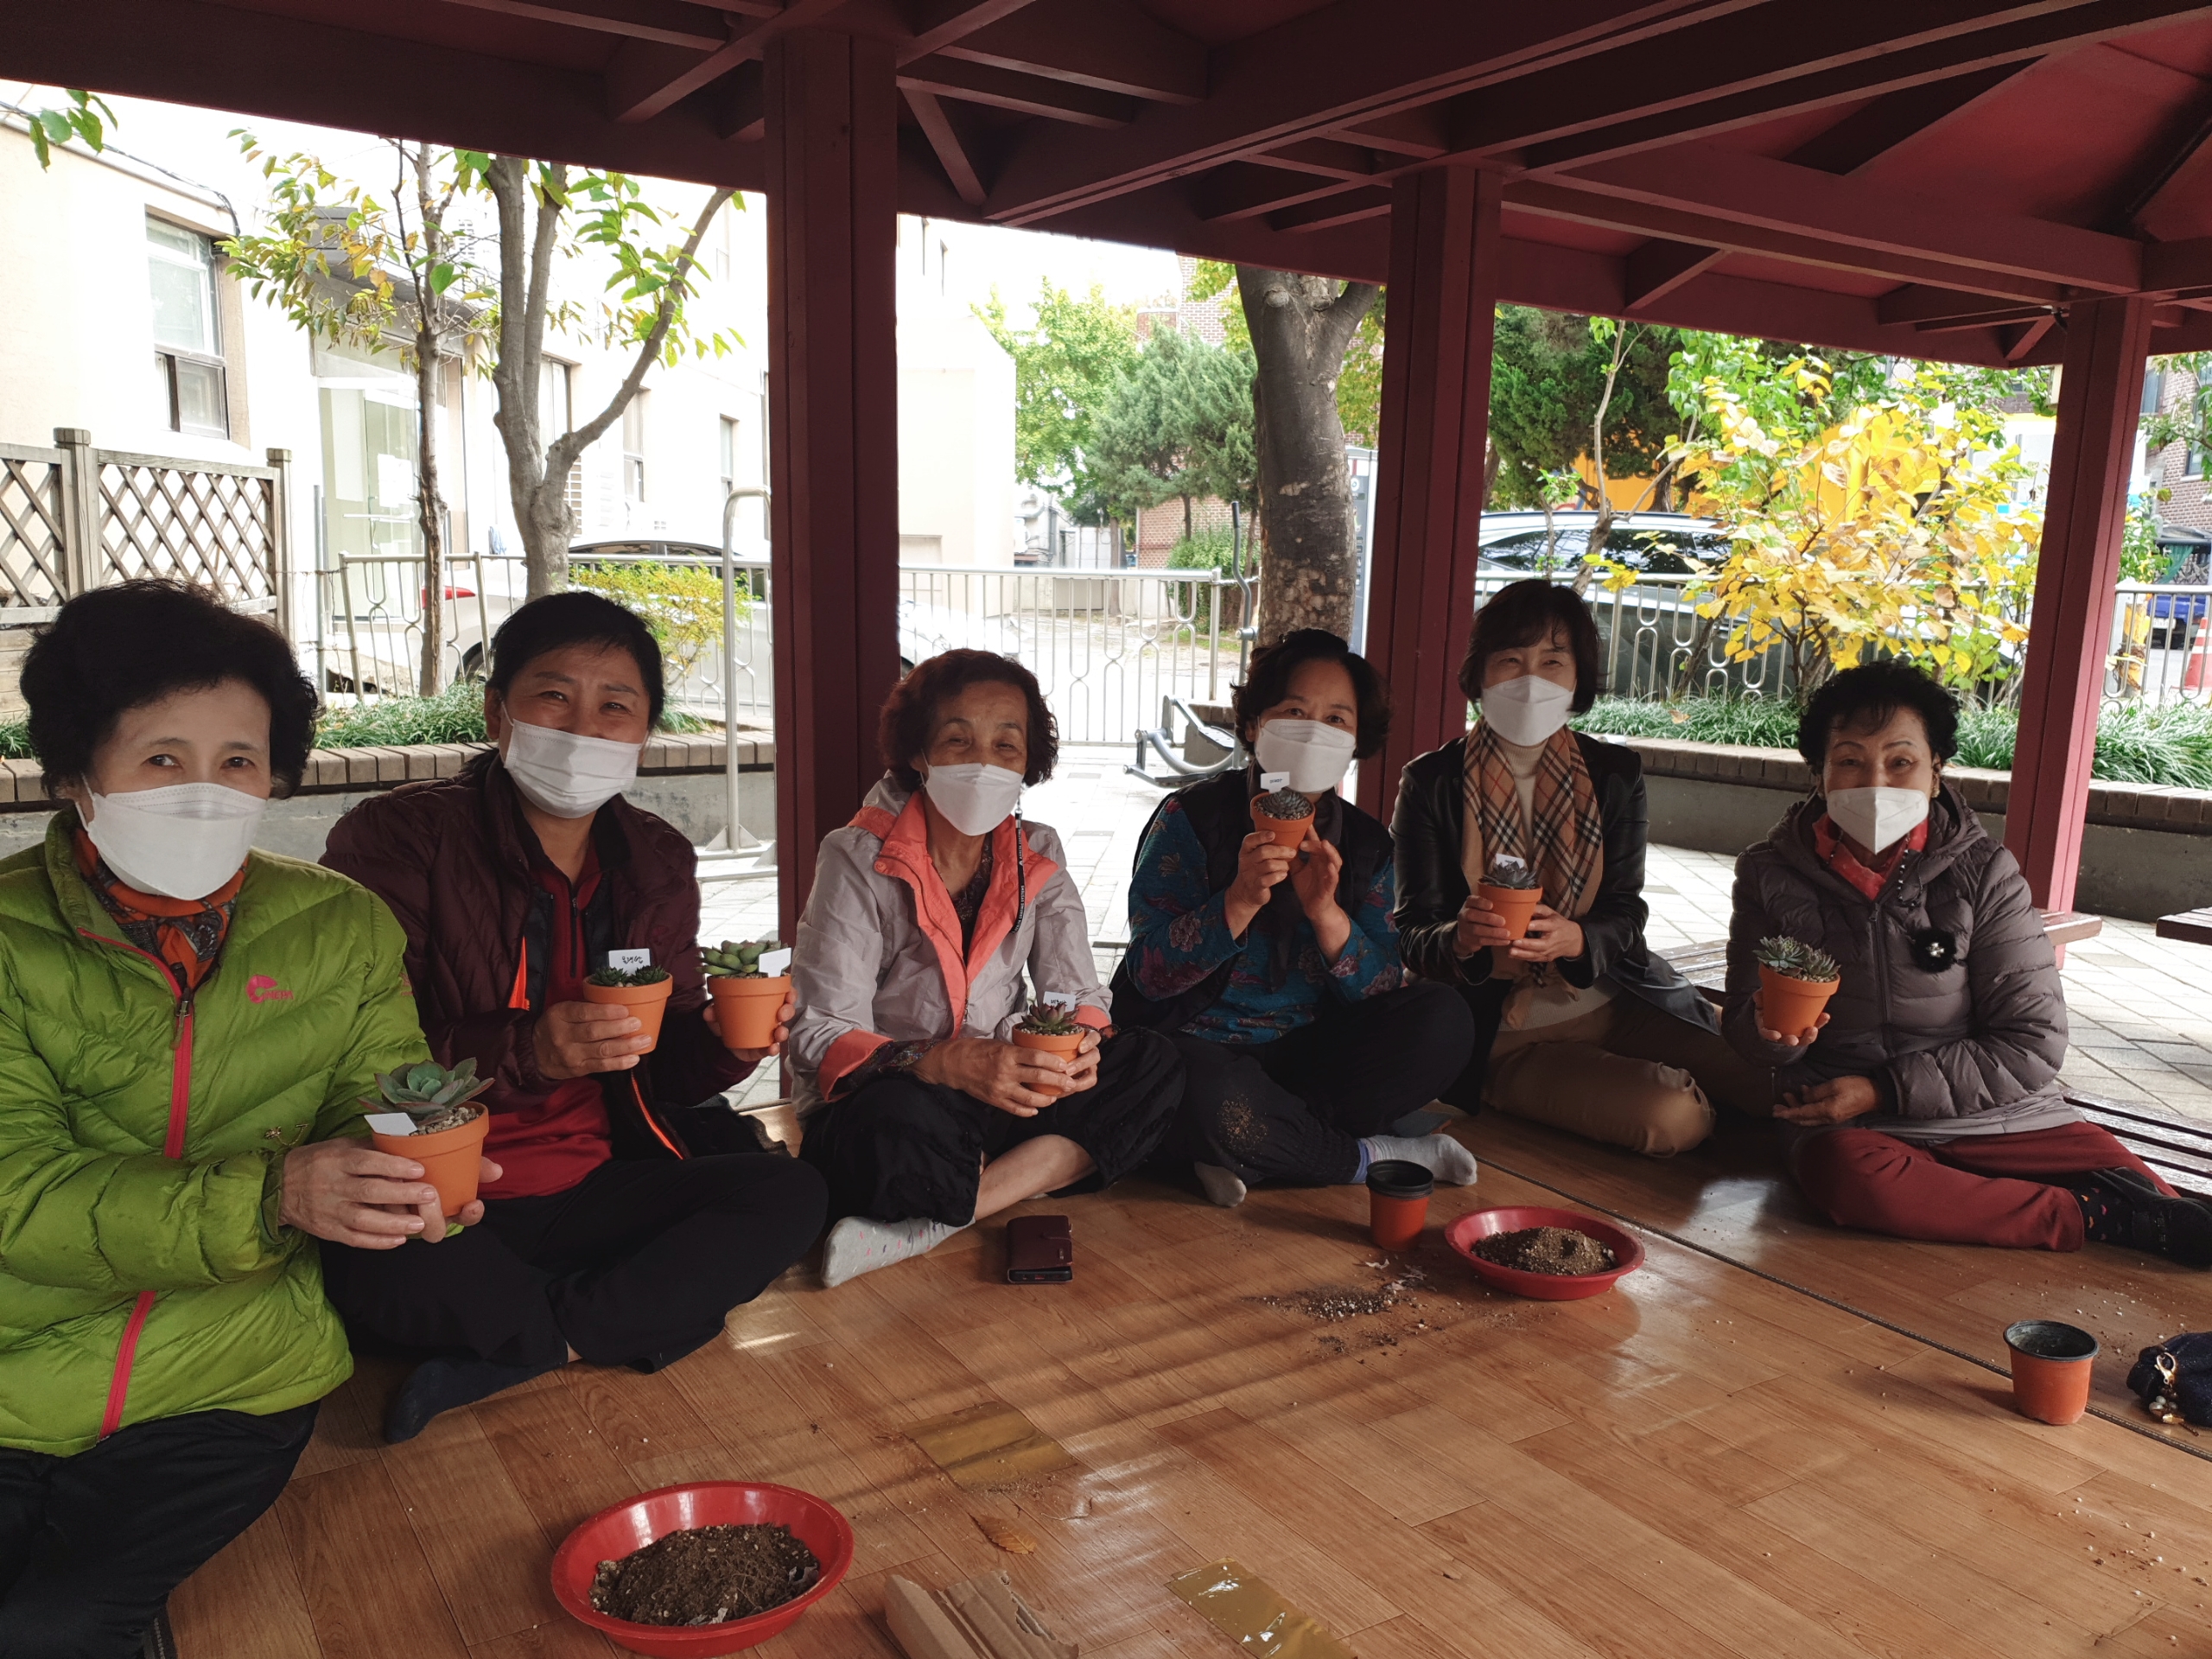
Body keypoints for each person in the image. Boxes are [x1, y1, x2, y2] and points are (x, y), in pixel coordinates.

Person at [0, 582, 438, 1657]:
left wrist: (426, 1164)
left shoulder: (337, 925)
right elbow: (18, 1194)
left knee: (45, 1625)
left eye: (237, 761)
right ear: (74, 775)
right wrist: (280, 1191)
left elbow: (384, 1099)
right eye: (161, 758)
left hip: (232, 1374)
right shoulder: (7, 940)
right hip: (18, 1371)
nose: (206, 792)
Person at [320, 593, 825, 1441]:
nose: (584, 726)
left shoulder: (651, 858)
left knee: (791, 1193)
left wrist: (729, 1046)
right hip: (443, 1197)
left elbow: (659, 1078)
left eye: (615, 705)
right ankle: (614, 1320)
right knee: (367, 1266)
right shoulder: (399, 839)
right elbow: (350, 1055)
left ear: (644, 730)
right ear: (497, 711)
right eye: (554, 695)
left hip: (591, 1182)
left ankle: (527, 1341)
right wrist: (529, 1051)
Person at [1725, 659, 2212, 1260]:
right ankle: (2086, 1214)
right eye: (1849, 760)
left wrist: (1883, 1089)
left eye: (1900, 761)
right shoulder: (1769, 873)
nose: (1874, 781)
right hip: (1850, 1123)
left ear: (1936, 774)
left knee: (2172, 1203)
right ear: (1820, 775)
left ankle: (2092, 1201)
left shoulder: (1985, 873)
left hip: (1998, 1115)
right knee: (1850, 1181)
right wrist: (1774, 1035)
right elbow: (1746, 1033)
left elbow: (2032, 1041)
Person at [791, 650, 1183, 1287]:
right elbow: (817, 1034)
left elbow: (1078, 992)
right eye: (957, 740)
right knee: (895, 1130)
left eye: (1006, 745)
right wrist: (942, 1062)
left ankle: (943, 1214)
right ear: (918, 754)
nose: (983, 763)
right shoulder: (856, 858)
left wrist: (1080, 1046)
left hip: (1001, 1088)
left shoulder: (1038, 853)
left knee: (1153, 1063)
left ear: (1029, 762)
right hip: (896, 1097)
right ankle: (1012, 1178)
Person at [1393, 581, 1770, 1155]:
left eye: (1552, 661)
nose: (1529, 680)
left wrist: (1576, 937)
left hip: (1614, 997)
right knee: (1673, 1120)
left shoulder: (1613, 773)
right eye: (1510, 661)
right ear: (1479, 675)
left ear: (1577, 677)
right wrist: (1461, 938)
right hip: (1507, 1031)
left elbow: (1626, 910)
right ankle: (1510, 1085)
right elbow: (1413, 931)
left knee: (1776, 1081)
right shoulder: (1432, 781)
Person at [1114, 629, 1477, 1207]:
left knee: (1445, 1019)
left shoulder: (1364, 846)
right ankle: (1366, 1156)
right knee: (1185, 1086)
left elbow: (1383, 990)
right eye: (1294, 711)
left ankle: (1248, 1144)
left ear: (1357, 740)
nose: (1315, 729)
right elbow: (1148, 975)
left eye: (1337, 718)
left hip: (1308, 1056)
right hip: (1196, 1045)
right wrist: (1235, 902)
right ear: (1256, 724)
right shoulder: (1191, 817)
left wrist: (1326, 913)